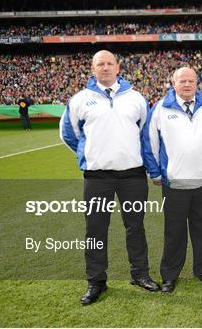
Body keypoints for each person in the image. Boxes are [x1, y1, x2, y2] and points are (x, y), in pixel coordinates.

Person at [60, 50, 159, 305]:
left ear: (118, 67)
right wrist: (89, 155)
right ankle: (96, 281)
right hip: (97, 177)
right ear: (93, 69)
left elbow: (144, 135)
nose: (105, 68)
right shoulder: (80, 99)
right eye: (99, 64)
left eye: (109, 63)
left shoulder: (136, 98)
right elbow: (69, 135)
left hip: (133, 175)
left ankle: (140, 274)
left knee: (135, 227)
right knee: (95, 230)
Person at [142, 67, 202, 294]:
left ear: (197, 83)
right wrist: (155, 173)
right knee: (174, 233)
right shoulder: (160, 108)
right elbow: (149, 142)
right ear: (173, 83)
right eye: (182, 81)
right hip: (175, 185)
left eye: (191, 81)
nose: (187, 84)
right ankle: (169, 275)